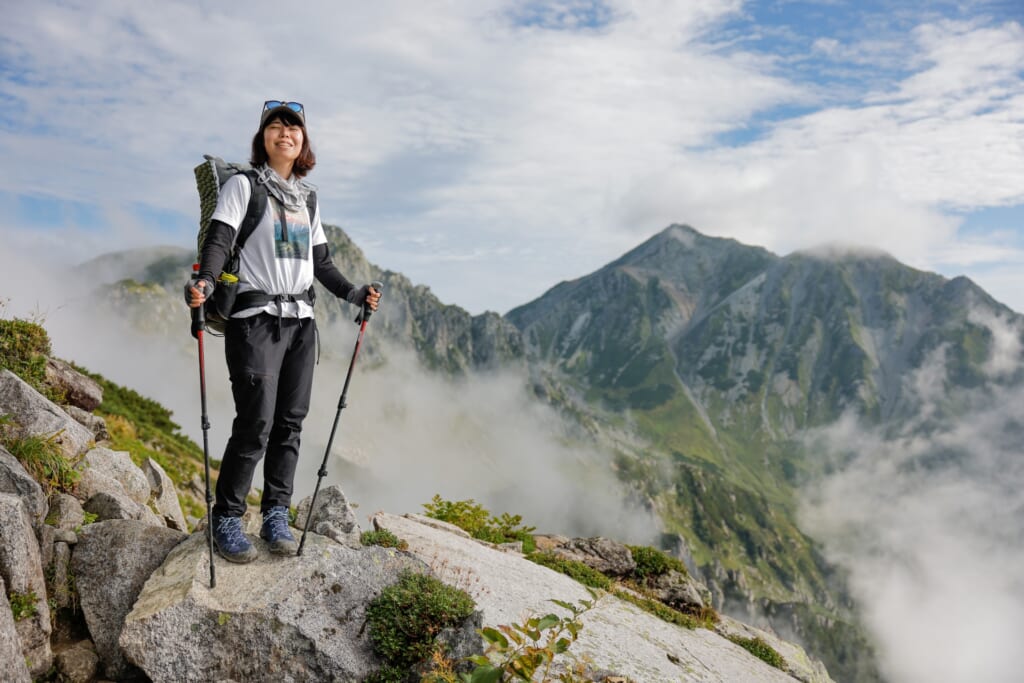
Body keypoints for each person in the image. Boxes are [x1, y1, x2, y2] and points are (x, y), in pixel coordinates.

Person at [187, 100, 380, 563]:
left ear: (303, 143)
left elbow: (322, 264)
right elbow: (219, 241)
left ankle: (276, 513)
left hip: (300, 327)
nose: (285, 134)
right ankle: (228, 518)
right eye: (276, 127)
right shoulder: (243, 186)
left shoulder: (308, 198)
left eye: (293, 129)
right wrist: (206, 282)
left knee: (290, 424)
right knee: (255, 423)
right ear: (264, 139)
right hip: (253, 321)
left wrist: (355, 293)